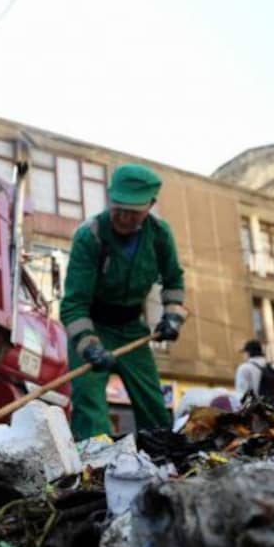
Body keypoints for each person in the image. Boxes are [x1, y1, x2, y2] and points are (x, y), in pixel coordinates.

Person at [60, 163, 186, 440]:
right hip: (93, 326)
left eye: (133, 211)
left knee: (154, 407)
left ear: (150, 205)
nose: (123, 217)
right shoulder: (90, 237)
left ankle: (164, 461)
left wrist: (173, 316)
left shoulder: (160, 236)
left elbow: (174, 281)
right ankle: (95, 468)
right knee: (90, 406)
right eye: (118, 208)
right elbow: (73, 305)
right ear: (109, 197)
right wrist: (89, 347)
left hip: (131, 328)